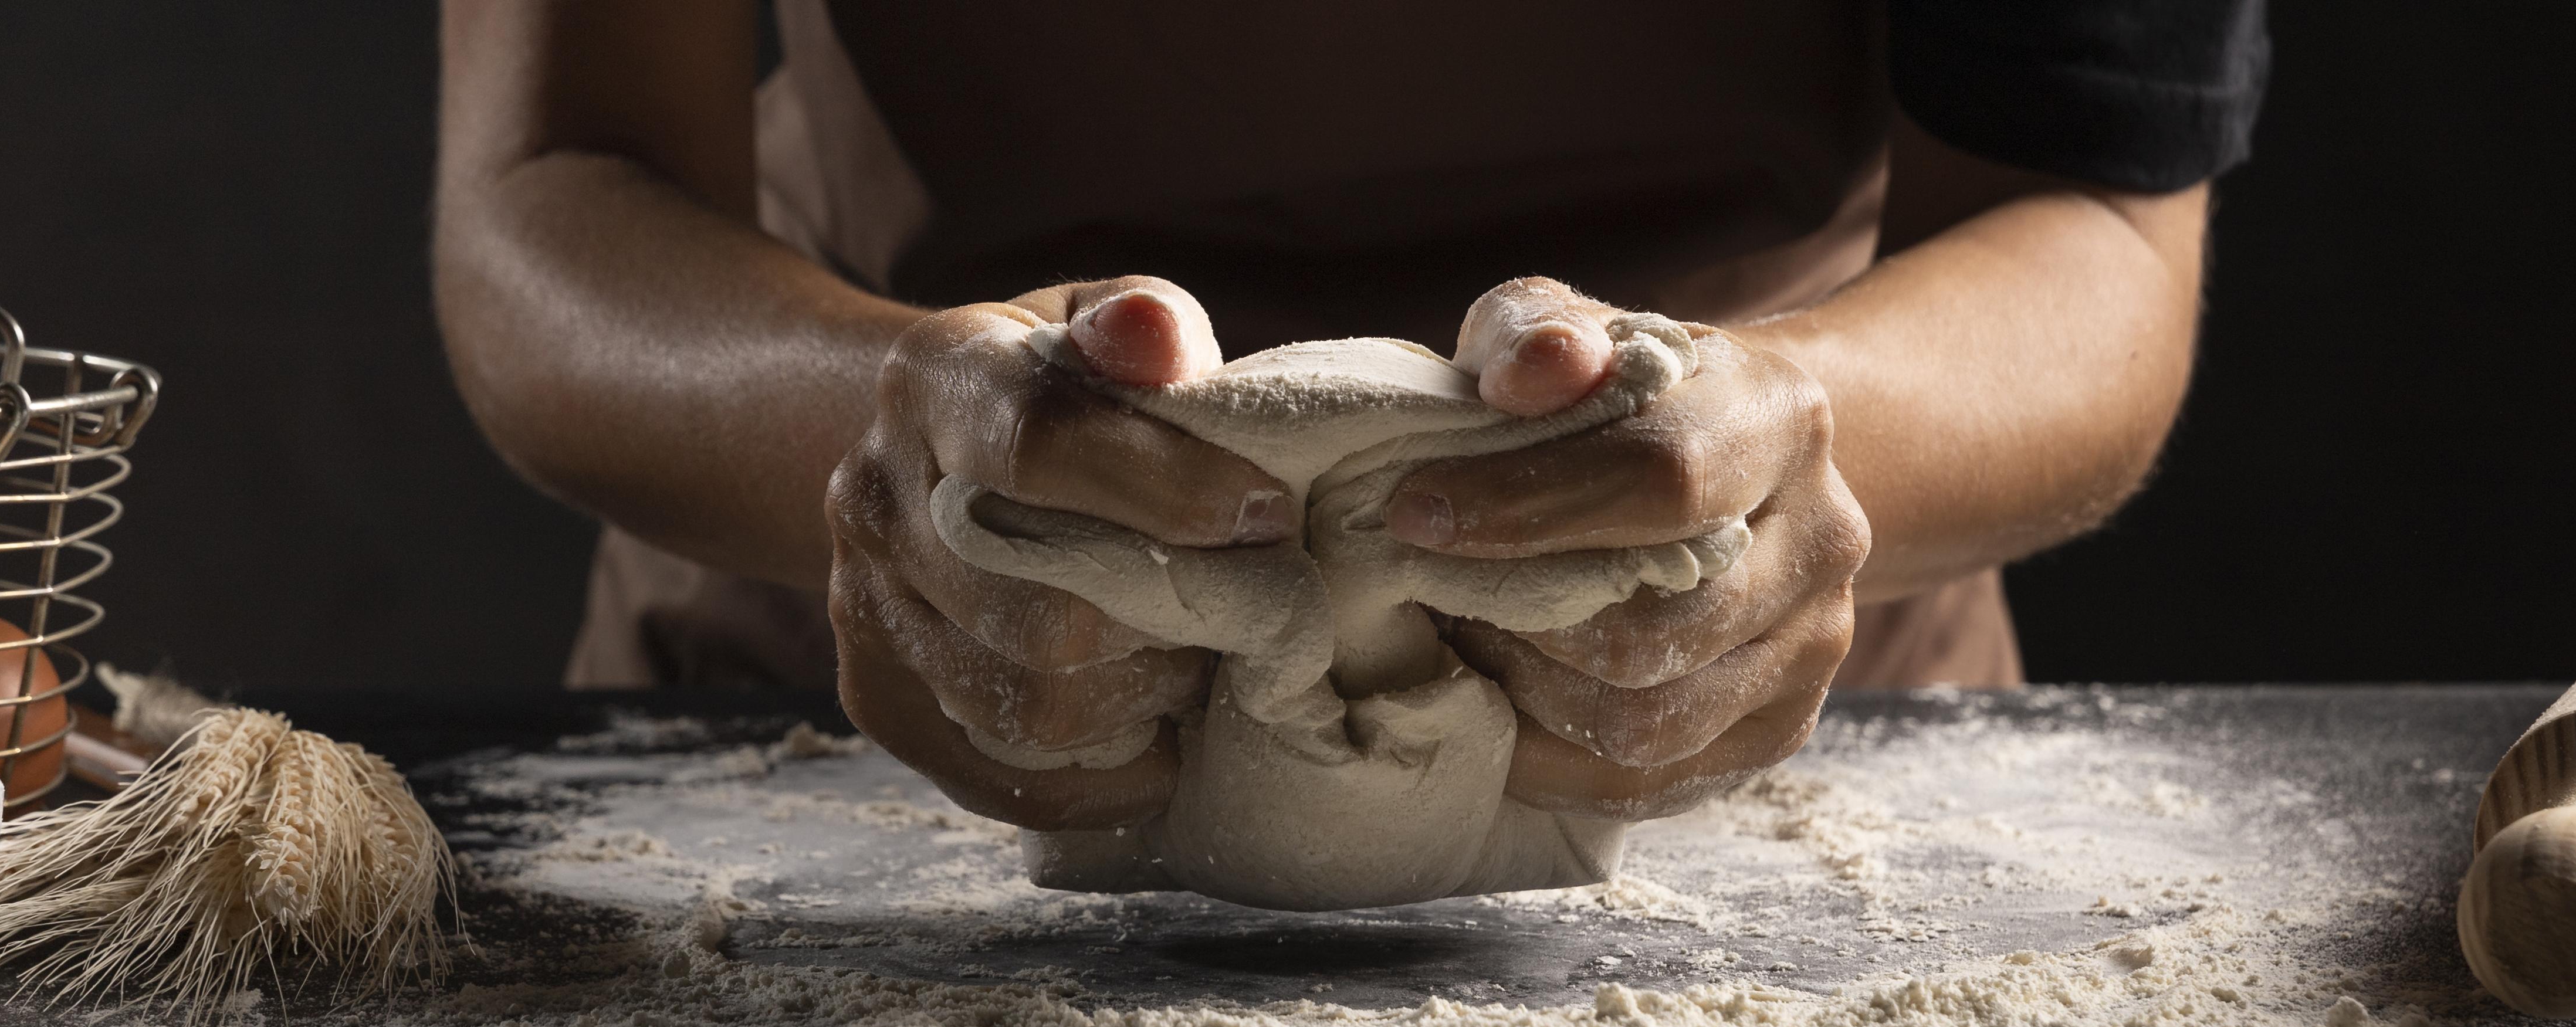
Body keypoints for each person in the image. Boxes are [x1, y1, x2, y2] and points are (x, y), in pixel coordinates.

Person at [435, 1, 2267, 830]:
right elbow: (559, 188)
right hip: (878, 713)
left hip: (1748, 716)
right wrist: (901, 453)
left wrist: (1778, 441)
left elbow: (2092, 217)